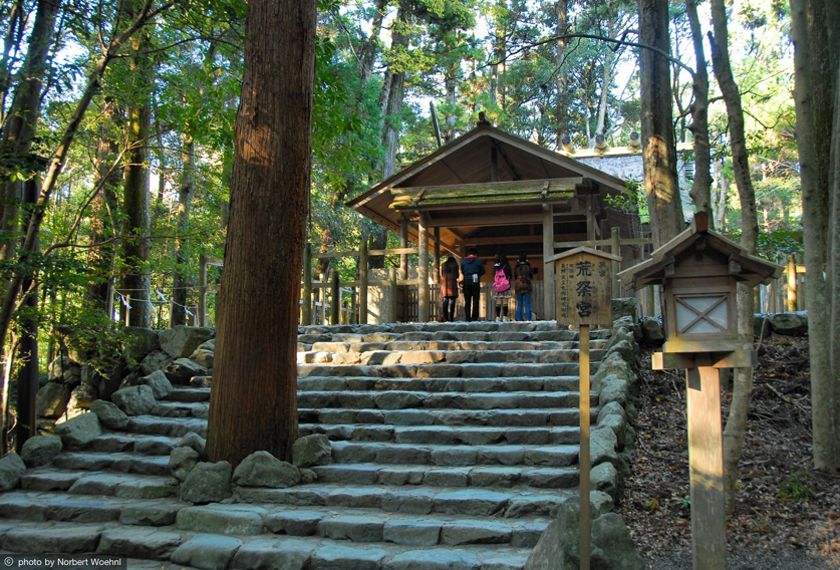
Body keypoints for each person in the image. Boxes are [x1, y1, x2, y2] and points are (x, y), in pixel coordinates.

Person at [460, 247, 485, 321]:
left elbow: (462, 271)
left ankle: (467, 318)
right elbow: (483, 271)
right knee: (476, 300)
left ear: (468, 254)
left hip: (466, 281)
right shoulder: (478, 261)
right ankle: (474, 318)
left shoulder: (463, 261)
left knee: (467, 301)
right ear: (476, 254)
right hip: (475, 281)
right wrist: (477, 274)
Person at [491, 253, 513, 321]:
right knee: (505, 302)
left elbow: (494, 276)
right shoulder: (507, 266)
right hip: (505, 287)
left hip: (498, 287)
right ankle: (504, 317)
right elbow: (510, 276)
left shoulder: (495, 267)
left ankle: (497, 317)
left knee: (498, 302)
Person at [440, 255, 460, 322]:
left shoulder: (443, 265)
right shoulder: (455, 265)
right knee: (452, 301)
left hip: (445, 284)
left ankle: (446, 318)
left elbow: (442, 275)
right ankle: (451, 318)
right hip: (453, 284)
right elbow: (457, 276)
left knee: (445, 301)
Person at [514, 253, 533, 321]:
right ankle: (528, 318)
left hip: (519, 286)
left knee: (519, 304)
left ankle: (519, 318)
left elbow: (515, 276)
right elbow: (531, 276)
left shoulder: (517, 267)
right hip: (527, 285)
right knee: (527, 303)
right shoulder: (528, 266)